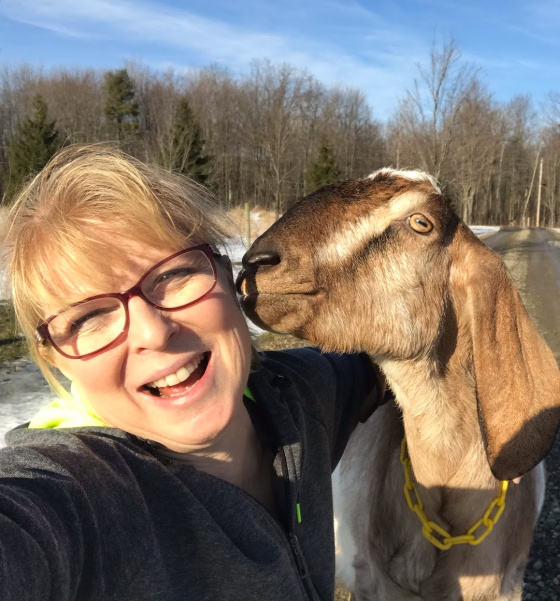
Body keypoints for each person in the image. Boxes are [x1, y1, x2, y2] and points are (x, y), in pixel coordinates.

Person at [0, 144, 385, 600]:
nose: (153, 331)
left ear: (226, 275)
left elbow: (398, 358)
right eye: (88, 318)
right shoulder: (76, 496)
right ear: (54, 357)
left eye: (172, 275)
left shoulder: (302, 395)